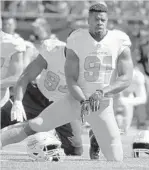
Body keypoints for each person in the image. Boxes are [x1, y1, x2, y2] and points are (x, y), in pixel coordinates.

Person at [0, 2, 133, 162]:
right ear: (88, 21)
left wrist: (102, 92)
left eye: (102, 20)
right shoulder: (71, 42)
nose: (99, 23)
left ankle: (95, 135)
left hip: (98, 104)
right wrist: (83, 100)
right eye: (95, 19)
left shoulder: (118, 40)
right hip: (69, 99)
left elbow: (125, 78)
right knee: (36, 124)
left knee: (109, 156)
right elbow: (68, 77)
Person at [1, 38, 83, 156]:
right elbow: (25, 77)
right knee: (3, 117)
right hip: (36, 95)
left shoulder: (87, 64)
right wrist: (18, 101)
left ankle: (51, 132)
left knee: (75, 150)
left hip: (63, 104)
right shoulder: (53, 51)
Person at [114, 66, 147, 133]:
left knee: (125, 103)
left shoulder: (138, 77)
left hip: (128, 96)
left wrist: (126, 101)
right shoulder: (114, 76)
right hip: (117, 93)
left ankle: (125, 127)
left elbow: (143, 99)